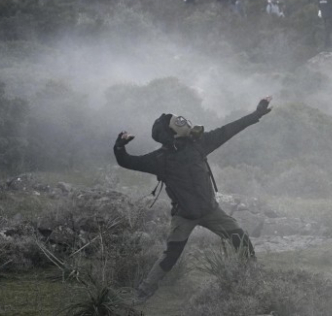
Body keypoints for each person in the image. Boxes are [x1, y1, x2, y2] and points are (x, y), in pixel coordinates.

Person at [113, 97, 273, 305]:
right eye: (178, 123)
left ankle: (252, 281)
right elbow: (127, 161)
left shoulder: (198, 144)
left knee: (241, 239)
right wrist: (120, 146)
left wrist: (257, 113)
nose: (184, 123)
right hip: (184, 216)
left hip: (210, 210)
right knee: (171, 256)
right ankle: (142, 293)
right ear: (170, 132)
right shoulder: (160, 159)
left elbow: (230, 129)